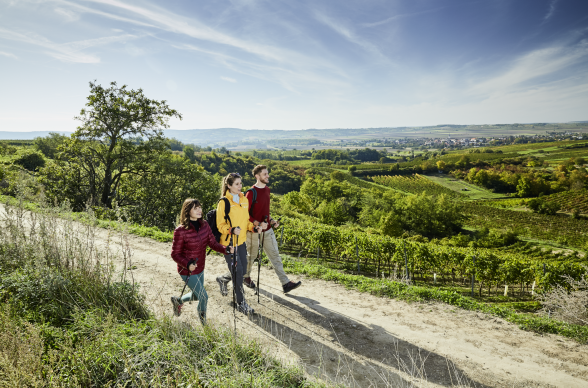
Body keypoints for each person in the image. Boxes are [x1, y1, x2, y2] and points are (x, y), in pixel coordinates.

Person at [170, 198, 233, 323]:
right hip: (187, 270)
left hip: (200, 267)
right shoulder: (180, 231)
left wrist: (226, 249)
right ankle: (204, 325)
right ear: (188, 211)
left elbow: (212, 243)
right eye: (195, 208)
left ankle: (178, 301)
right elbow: (175, 254)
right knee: (203, 297)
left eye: (200, 207)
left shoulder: (204, 225)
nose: (199, 210)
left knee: (195, 295)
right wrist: (187, 264)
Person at [245, 164, 301, 293]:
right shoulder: (250, 193)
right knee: (251, 256)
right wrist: (257, 224)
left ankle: (285, 283)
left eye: (267, 173)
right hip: (253, 231)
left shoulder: (267, 190)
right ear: (257, 176)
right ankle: (245, 277)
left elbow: (266, 212)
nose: (268, 176)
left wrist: (271, 221)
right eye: (265, 174)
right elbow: (245, 215)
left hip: (267, 230)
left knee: (275, 256)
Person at [215, 172, 261, 315]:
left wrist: (253, 227)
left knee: (241, 269)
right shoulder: (224, 202)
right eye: (237, 184)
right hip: (229, 243)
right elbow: (220, 225)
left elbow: (245, 221)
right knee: (238, 271)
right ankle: (241, 303)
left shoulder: (244, 200)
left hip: (241, 241)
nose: (240, 186)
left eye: (241, 183)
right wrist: (231, 229)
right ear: (229, 185)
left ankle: (222, 279)